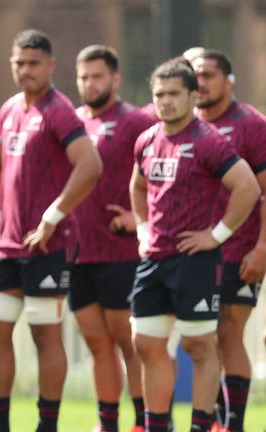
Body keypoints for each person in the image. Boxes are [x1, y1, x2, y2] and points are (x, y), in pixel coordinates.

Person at [129, 57, 260, 432]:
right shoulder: (146, 140)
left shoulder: (208, 141)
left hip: (196, 262)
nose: (166, 101)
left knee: (199, 347)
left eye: (174, 94)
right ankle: (157, 426)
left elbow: (248, 187)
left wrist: (216, 235)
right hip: (153, 261)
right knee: (146, 344)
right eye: (159, 94)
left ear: (190, 96)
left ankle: (201, 426)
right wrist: (141, 229)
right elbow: (137, 187)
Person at [0, 29, 102, 432]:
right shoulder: (9, 109)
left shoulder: (60, 110)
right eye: (20, 62)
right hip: (7, 244)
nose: (26, 70)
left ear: (51, 66)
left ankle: (47, 425)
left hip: (47, 245)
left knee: (44, 335)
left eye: (34, 63)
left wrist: (53, 217)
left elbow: (90, 165)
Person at [71, 45, 156, 432]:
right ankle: (107, 423)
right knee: (96, 343)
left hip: (121, 252)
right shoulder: (71, 122)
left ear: (115, 79)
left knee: (129, 340)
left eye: (98, 76)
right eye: (84, 77)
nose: (90, 83)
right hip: (78, 251)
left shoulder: (136, 121)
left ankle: (143, 421)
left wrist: (141, 216)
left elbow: (165, 179)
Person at [192, 49, 266, 432]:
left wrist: (262, 248)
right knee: (202, 339)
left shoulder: (251, 124)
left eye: (207, 74)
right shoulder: (183, 125)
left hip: (240, 251)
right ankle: (215, 420)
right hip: (193, 253)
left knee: (227, 333)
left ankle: (232, 424)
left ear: (228, 80)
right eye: (193, 74)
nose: (199, 82)